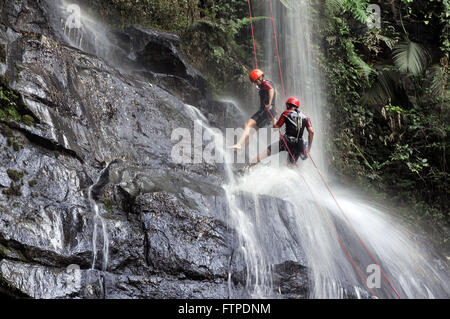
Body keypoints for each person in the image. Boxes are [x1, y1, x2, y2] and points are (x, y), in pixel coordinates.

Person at [248, 96, 314, 167]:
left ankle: (247, 167)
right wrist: (309, 147)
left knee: (266, 152)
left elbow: (276, 128)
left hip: (286, 141)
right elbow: (311, 132)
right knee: (291, 165)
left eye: (286, 106)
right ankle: (291, 176)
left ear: (288, 105)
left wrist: (275, 120)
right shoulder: (306, 117)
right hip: (298, 144)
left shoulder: (286, 113)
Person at [229, 69, 277, 150]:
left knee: (248, 125)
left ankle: (239, 144)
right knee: (251, 132)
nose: (255, 83)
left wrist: (269, 103)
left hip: (264, 112)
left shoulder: (265, 83)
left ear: (259, 78)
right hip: (267, 113)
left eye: (255, 81)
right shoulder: (264, 84)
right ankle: (242, 150)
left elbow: (271, 90)